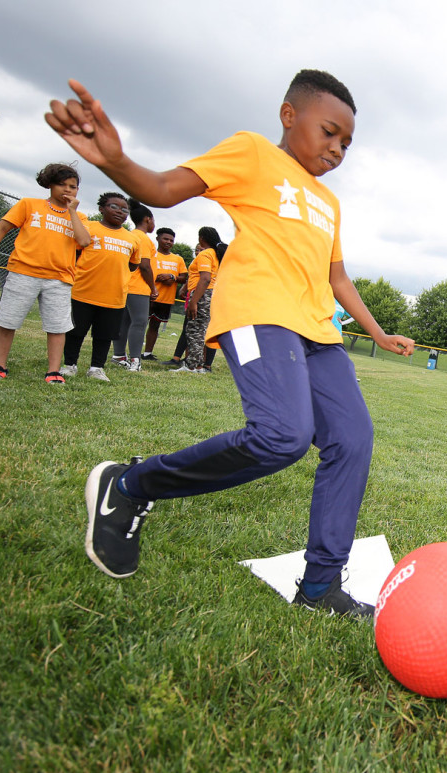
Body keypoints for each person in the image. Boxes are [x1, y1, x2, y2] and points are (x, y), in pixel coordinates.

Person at [46, 69, 415, 618]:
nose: (337, 149)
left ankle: (319, 590)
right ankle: (129, 484)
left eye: (347, 143)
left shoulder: (329, 203)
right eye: (329, 132)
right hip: (260, 314)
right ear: (290, 115)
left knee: (353, 439)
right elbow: (165, 190)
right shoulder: (253, 153)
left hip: (318, 332)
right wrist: (114, 163)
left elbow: (337, 277)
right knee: (284, 436)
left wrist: (378, 331)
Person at [0, 162, 91, 384]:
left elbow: (84, 241)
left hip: (59, 279)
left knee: (57, 327)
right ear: (49, 185)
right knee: (8, 321)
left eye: (73, 186)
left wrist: (73, 212)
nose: (68, 190)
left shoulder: (80, 217)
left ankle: (53, 372)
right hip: (23, 272)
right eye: (62, 185)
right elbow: (1, 227)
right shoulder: (29, 204)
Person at [60, 192, 141, 381]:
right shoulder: (88, 227)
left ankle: (96, 368)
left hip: (114, 297)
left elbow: (133, 264)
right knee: (75, 332)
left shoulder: (133, 239)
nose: (120, 212)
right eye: (114, 207)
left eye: (124, 209)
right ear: (101, 208)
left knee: (104, 336)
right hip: (83, 292)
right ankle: (70, 364)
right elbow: (75, 252)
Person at [110, 198, 158, 372]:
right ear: (147, 219)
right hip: (138, 287)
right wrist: (153, 288)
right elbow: (144, 266)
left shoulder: (129, 234)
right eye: (153, 220)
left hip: (125, 284)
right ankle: (135, 360)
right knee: (139, 322)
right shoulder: (142, 238)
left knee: (124, 321)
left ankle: (118, 355)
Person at [170, 227, 223, 373]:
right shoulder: (216, 254)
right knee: (200, 330)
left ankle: (192, 366)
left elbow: (205, 279)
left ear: (201, 238)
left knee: (195, 330)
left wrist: (194, 301)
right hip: (212, 295)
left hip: (203, 294)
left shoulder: (206, 254)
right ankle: (199, 365)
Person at [141, 227, 186, 361]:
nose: (168, 242)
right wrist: (157, 278)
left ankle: (148, 353)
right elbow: (142, 271)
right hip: (147, 295)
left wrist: (172, 277)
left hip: (165, 299)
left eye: (171, 240)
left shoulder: (178, 259)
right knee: (139, 324)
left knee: (155, 326)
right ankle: (133, 352)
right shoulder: (151, 254)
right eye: (165, 239)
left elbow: (184, 277)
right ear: (158, 239)